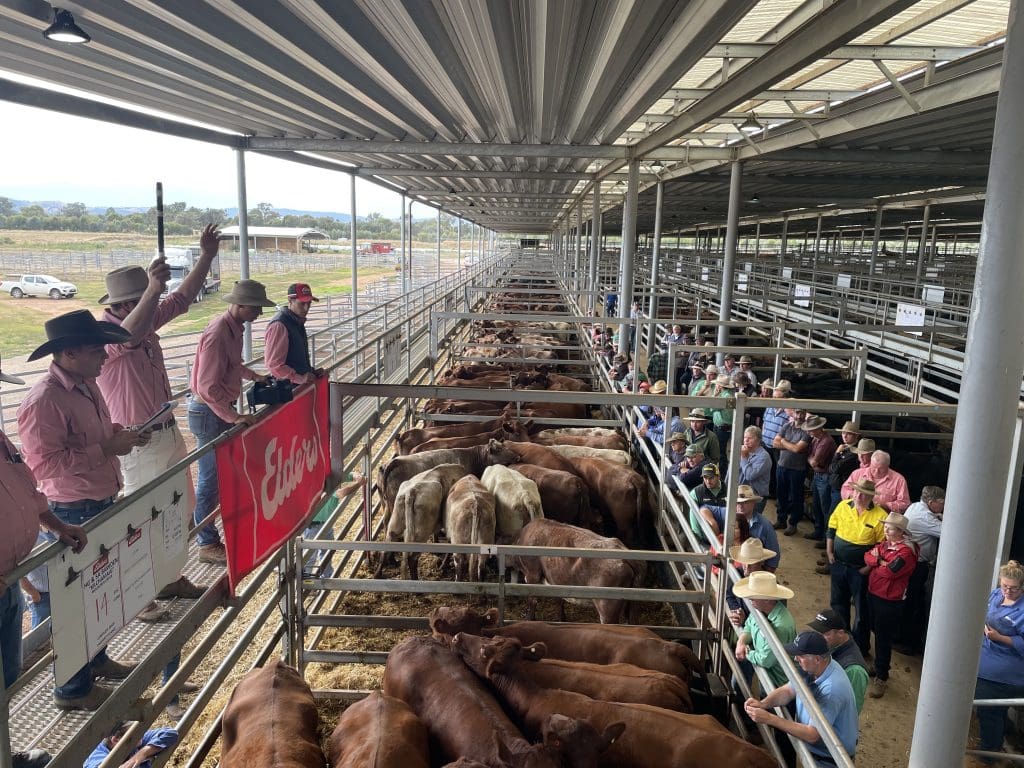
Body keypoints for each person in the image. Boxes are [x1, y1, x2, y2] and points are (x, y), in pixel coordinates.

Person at [95, 241, 215, 714]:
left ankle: (169, 577)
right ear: (121, 305)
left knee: (174, 509)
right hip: (138, 439)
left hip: (163, 428)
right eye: (138, 300)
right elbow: (129, 335)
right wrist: (153, 289)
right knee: (140, 516)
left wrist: (203, 258)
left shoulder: (141, 320)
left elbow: (180, 301)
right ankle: (143, 592)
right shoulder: (106, 336)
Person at [17, 311, 144, 710]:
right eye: (96, 350)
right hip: (72, 509)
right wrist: (105, 449)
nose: (106, 357)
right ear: (69, 353)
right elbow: (42, 466)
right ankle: (71, 689)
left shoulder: (87, 386)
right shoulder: (44, 401)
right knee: (71, 601)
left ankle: (96, 660)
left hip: (97, 501)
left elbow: (90, 437)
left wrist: (116, 434)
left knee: (99, 589)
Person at [0, 360, 84, 768]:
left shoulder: (0, 440)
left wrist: (56, 523)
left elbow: (28, 492)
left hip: (9, 580)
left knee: (6, 677)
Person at [188, 280, 274, 564]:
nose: (259, 314)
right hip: (210, 411)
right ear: (240, 305)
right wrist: (234, 416)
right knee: (210, 478)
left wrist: (254, 377)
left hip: (218, 410)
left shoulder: (232, 329)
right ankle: (206, 542)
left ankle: (209, 530)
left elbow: (231, 365)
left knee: (221, 474)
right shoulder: (217, 333)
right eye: (256, 308)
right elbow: (206, 387)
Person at [744, 631, 858, 767]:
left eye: (801, 655)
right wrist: (763, 704)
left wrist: (769, 718)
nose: (796, 659)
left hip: (829, 760)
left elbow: (813, 734)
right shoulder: (813, 668)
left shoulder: (832, 690)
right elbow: (788, 690)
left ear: (817, 659)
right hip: (816, 753)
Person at [825, 478, 887, 656]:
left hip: (860, 569)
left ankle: (860, 647)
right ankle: (840, 642)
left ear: (871, 497)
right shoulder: (843, 505)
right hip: (838, 564)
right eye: (857, 491)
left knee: (861, 609)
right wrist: (830, 553)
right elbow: (831, 529)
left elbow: (880, 548)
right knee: (838, 604)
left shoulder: (880, 516)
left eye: (864, 494)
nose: (859, 496)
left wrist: (867, 569)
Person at [861, 511, 917, 699]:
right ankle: (879, 666)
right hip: (874, 593)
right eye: (885, 526)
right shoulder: (886, 545)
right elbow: (867, 556)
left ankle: (882, 676)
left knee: (883, 638)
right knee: (875, 631)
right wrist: (879, 561)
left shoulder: (906, 552)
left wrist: (877, 561)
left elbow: (891, 572)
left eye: (889, 528)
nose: (885, 530)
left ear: (900, 531)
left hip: (889, 600)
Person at [974, 560, 1024, 758]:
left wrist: (1000, 638)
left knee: (989, 711)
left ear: (1022, 588)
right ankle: (1004, 731)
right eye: (1004, 586)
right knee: (993, 709)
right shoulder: (996, 594)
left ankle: (990, 753)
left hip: (1004, 673)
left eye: (1013, 588)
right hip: (985, 657)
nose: (1008, 591)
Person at [733, 571, 796, 689]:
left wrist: (747, 653)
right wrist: (741, 642)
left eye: (754, 596)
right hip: (769, 674)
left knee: (773, 705)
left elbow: (767, 660)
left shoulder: (782, 625)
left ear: (767, 599)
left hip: (779, 681)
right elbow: (749, 626)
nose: (750, 599)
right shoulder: (759, 608)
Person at [901, 485, 945, 654]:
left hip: (911, 562)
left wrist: (939, 515)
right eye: (941, 503)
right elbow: (949, 532)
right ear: (931, 502)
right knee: (915, 602)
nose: (943, 506)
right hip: (917, 565)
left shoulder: (915, 506)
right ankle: (909, 643)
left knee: (911, 600)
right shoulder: (925, 517)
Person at [698, 485, 781, 572]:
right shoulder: (729, 512)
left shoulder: (765, 526)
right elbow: (704, 508)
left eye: (745, 502)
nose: (740, 506)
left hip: (751, 567)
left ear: (753, 503)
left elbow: (773, 561)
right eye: (737, 503)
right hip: (733, 563)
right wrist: (713, 522)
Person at [807, 609, 870, 714]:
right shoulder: (831, 644)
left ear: (840, 633)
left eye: (825, 634)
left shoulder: (854, 670)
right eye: (817, 632)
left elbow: (851, 709)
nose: (819, 638)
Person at [264, 282, 324, 385]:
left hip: (296, 386)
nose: (306, 308)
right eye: (302, 303)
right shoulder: (279, 325)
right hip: (288, 389)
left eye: (309, 303)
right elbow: (274, 365)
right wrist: (299, 378)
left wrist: (310, 371)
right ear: (290, 301)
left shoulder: (296, 322)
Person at [773, 407, 810, 535]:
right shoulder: (786, 426)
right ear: (793, 413)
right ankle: (781, 519)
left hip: (797, 469)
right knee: (781, 494)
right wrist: (790, 445)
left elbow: (798, 449)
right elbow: (774, 443)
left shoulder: (806, 431)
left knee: (796, 497)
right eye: (798, 412)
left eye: (803, 413)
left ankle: (793, 523)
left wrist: (783, 441)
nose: (800, 416)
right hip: (782, 466)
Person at [84, 721, 178, 768]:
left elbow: (170, 733)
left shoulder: (132, 741)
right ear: (116, 739)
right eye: (136, 733)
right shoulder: (96, 757)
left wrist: (142, 753)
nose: (141, 734)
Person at [842, 449, 910, 514]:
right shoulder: (858, 473)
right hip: (856, 514)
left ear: (887, 465)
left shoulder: (899, 480)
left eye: (881, 469)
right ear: (871, 463)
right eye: (874, 467)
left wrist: (886, 505)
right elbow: (844, 490)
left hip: (883, 519)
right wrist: (856, 496)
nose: (877, 472)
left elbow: (904, 503)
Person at [804, 415, 836, 544]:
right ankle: (818, 531)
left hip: (824, 476)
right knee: (817, 505)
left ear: (819, 428)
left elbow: (813, 462)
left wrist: (810, 458)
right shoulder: (817, 439)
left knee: (825, 507)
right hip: (819, 475)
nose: (809, 432)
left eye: (811, 429)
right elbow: (811, 458)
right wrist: (811, 458)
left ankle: (825, 537)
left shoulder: (826, 442)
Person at [735, 425, 771, 514]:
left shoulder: (764, 457)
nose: (746, 440)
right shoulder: (741, 450)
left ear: (758, 440)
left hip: (755, 498)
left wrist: (743, 457)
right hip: (740, 495)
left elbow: (749, 475)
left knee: (751, 524)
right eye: (745, 437)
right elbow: (731, 472)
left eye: (750, 438)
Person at [827, 421, 862, 512]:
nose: (844, 436)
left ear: (856, 436)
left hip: (842, 489)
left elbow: (834, 468)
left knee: (832, 516)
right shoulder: (844, 447)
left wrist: (837, 453)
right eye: (843, 433)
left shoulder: (854, 452)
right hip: (834, 486)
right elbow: (831, 469)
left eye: (849, 434)